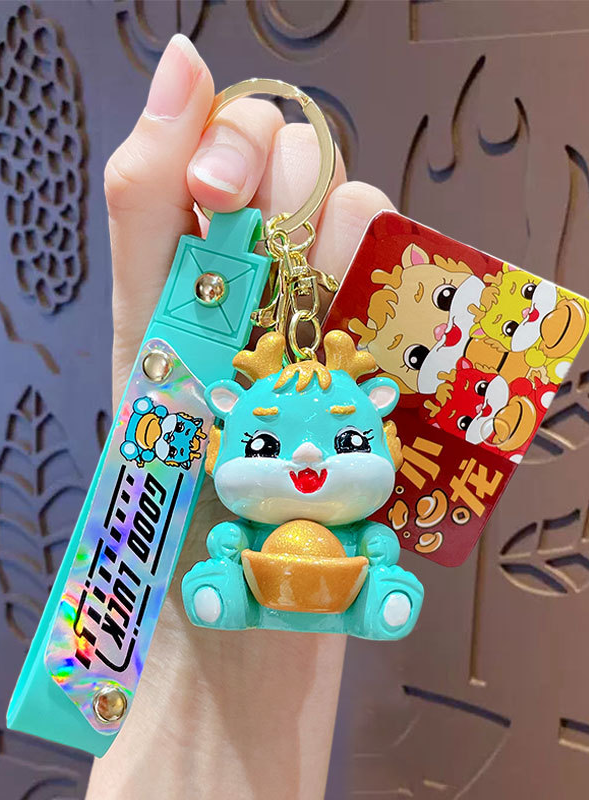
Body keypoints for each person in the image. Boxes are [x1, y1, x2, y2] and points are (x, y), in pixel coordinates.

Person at [86, 34, 396, 800]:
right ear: (222, 419)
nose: (308, 460)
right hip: (214, 586)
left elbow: (374, 539)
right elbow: (224, 531)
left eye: (347, 437)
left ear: (379, 417)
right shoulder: (205, 431)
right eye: (263, 441)